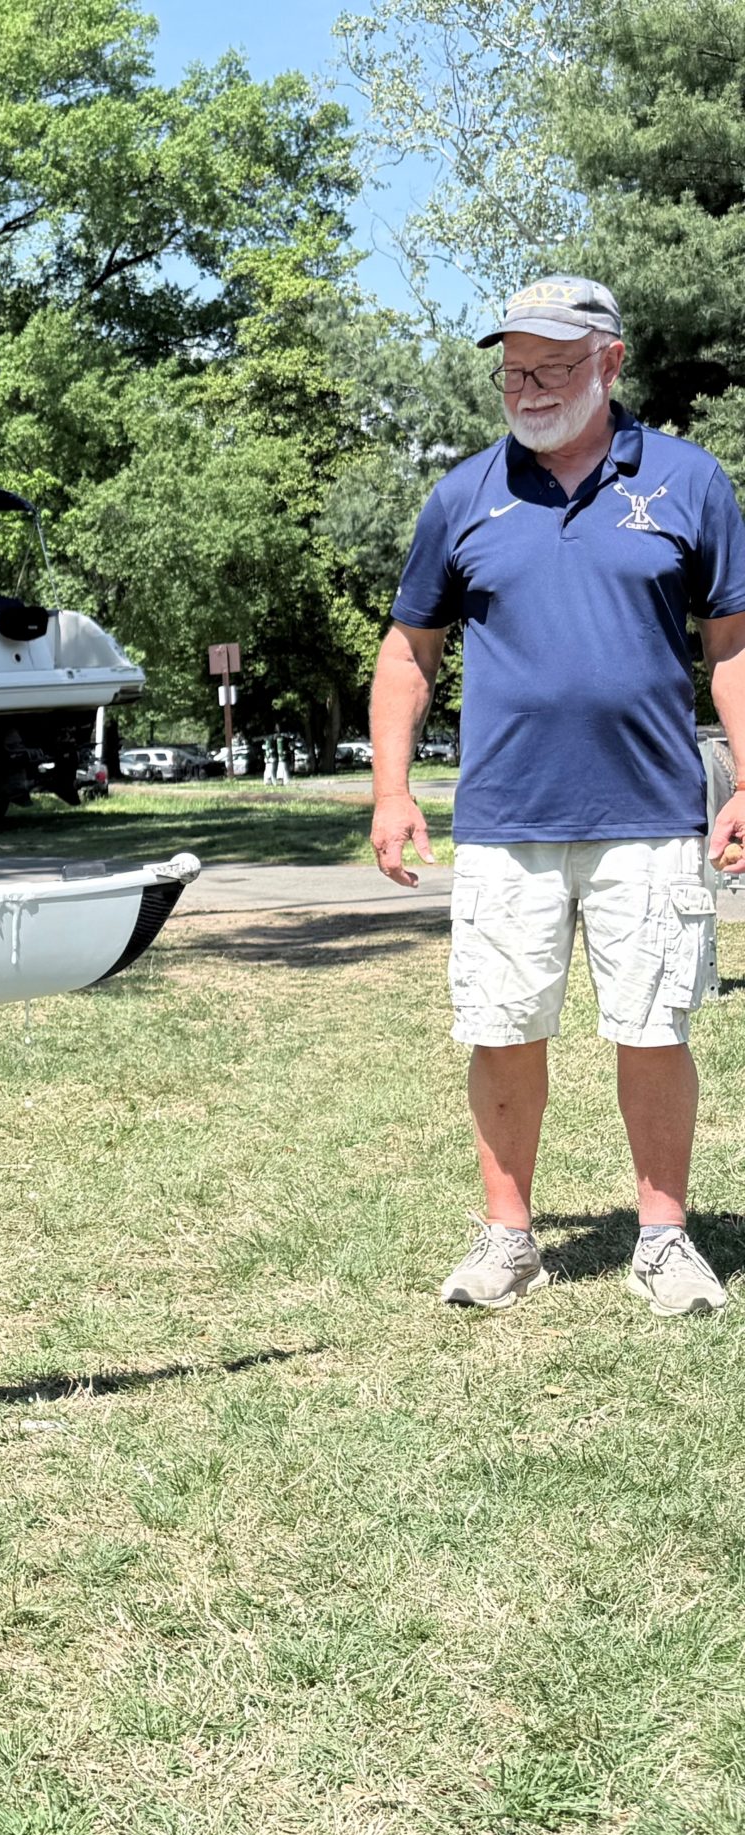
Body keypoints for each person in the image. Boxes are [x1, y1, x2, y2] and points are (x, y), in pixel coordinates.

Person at [369, 274, 745, 1316]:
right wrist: (390, 790)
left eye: (550, 368)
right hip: (505, 819)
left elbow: (731, 646)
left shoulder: (687, 482)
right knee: (500, 1028)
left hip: (653, 814)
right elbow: (408, 650)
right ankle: (507, 1240)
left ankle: (664, 1241)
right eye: (511, 371)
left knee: (654, 1028)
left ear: (609, 363)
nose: (525, 390)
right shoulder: (461, 495)